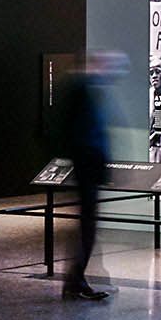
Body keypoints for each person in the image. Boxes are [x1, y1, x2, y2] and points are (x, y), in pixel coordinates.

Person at [56, 52, 121, 302]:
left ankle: (76, 279)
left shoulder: (86, 89)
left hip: (88, 165)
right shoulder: (80, 89)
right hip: (86, 165)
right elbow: (83, 132)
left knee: (87, 224)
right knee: (86, 225)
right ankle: (75, 281)